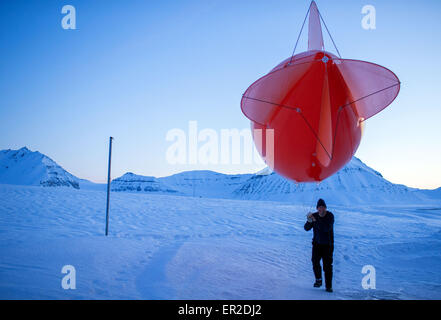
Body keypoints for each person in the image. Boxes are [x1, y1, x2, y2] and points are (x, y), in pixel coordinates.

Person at [304, 198, 334, 292]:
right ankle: (318, 280)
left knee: (327, 266)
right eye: (319, 208)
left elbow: (326, 228)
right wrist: (309, 221)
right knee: (315, 262)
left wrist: (315, 220)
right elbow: (306, 228)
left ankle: (328, 286)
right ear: (317, 208)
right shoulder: (314, 215)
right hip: (317, 244)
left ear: (325, 208)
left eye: (323, 207)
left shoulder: (330, 216)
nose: (321, 209)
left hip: (327, 245)